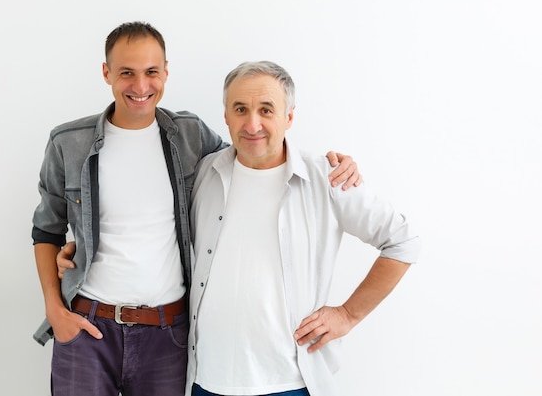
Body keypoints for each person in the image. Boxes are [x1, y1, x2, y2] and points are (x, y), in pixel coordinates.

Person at [32, 22, 361, 396]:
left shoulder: (190, 135)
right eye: (127, 73)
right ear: (106, 72)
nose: (141, 87)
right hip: (88, 326)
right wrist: (55, 310)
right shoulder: (67, 142)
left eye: (151, 72)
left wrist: (326, 163)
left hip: (167, 334)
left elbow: (252, 149)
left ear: (166, 73)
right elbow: (46, 229)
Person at [185, 61, 421, 396]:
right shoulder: (204, 173)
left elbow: (402, 241)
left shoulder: (327, 178)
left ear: (289, 117)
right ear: (225, 115)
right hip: (206, 379)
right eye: (240, 109)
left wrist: (348, 315)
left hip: (290, 382)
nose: (252, 124)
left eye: (266, 110)